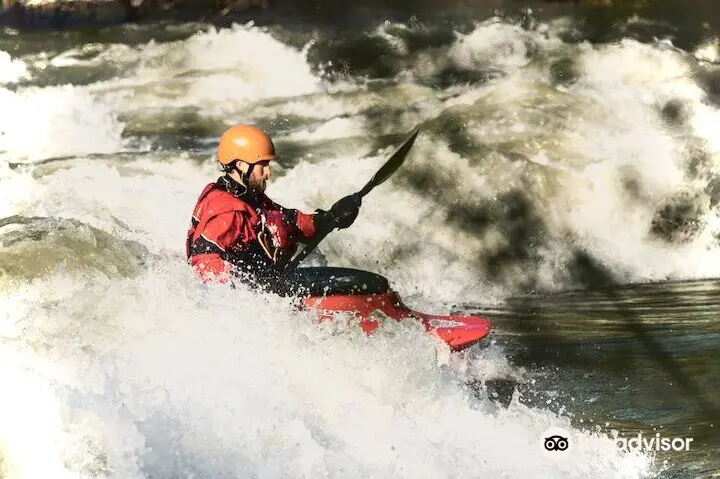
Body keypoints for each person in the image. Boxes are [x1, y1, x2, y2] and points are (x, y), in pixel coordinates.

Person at [186, 124, 361, 291]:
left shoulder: (248, 197)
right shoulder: (229, 211)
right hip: (257, 300)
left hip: (272, 286)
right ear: (240, 165)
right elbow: (204, 261)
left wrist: (329, 218)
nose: (268, 172)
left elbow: (287, 221)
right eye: (263, 165)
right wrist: (247, 291)